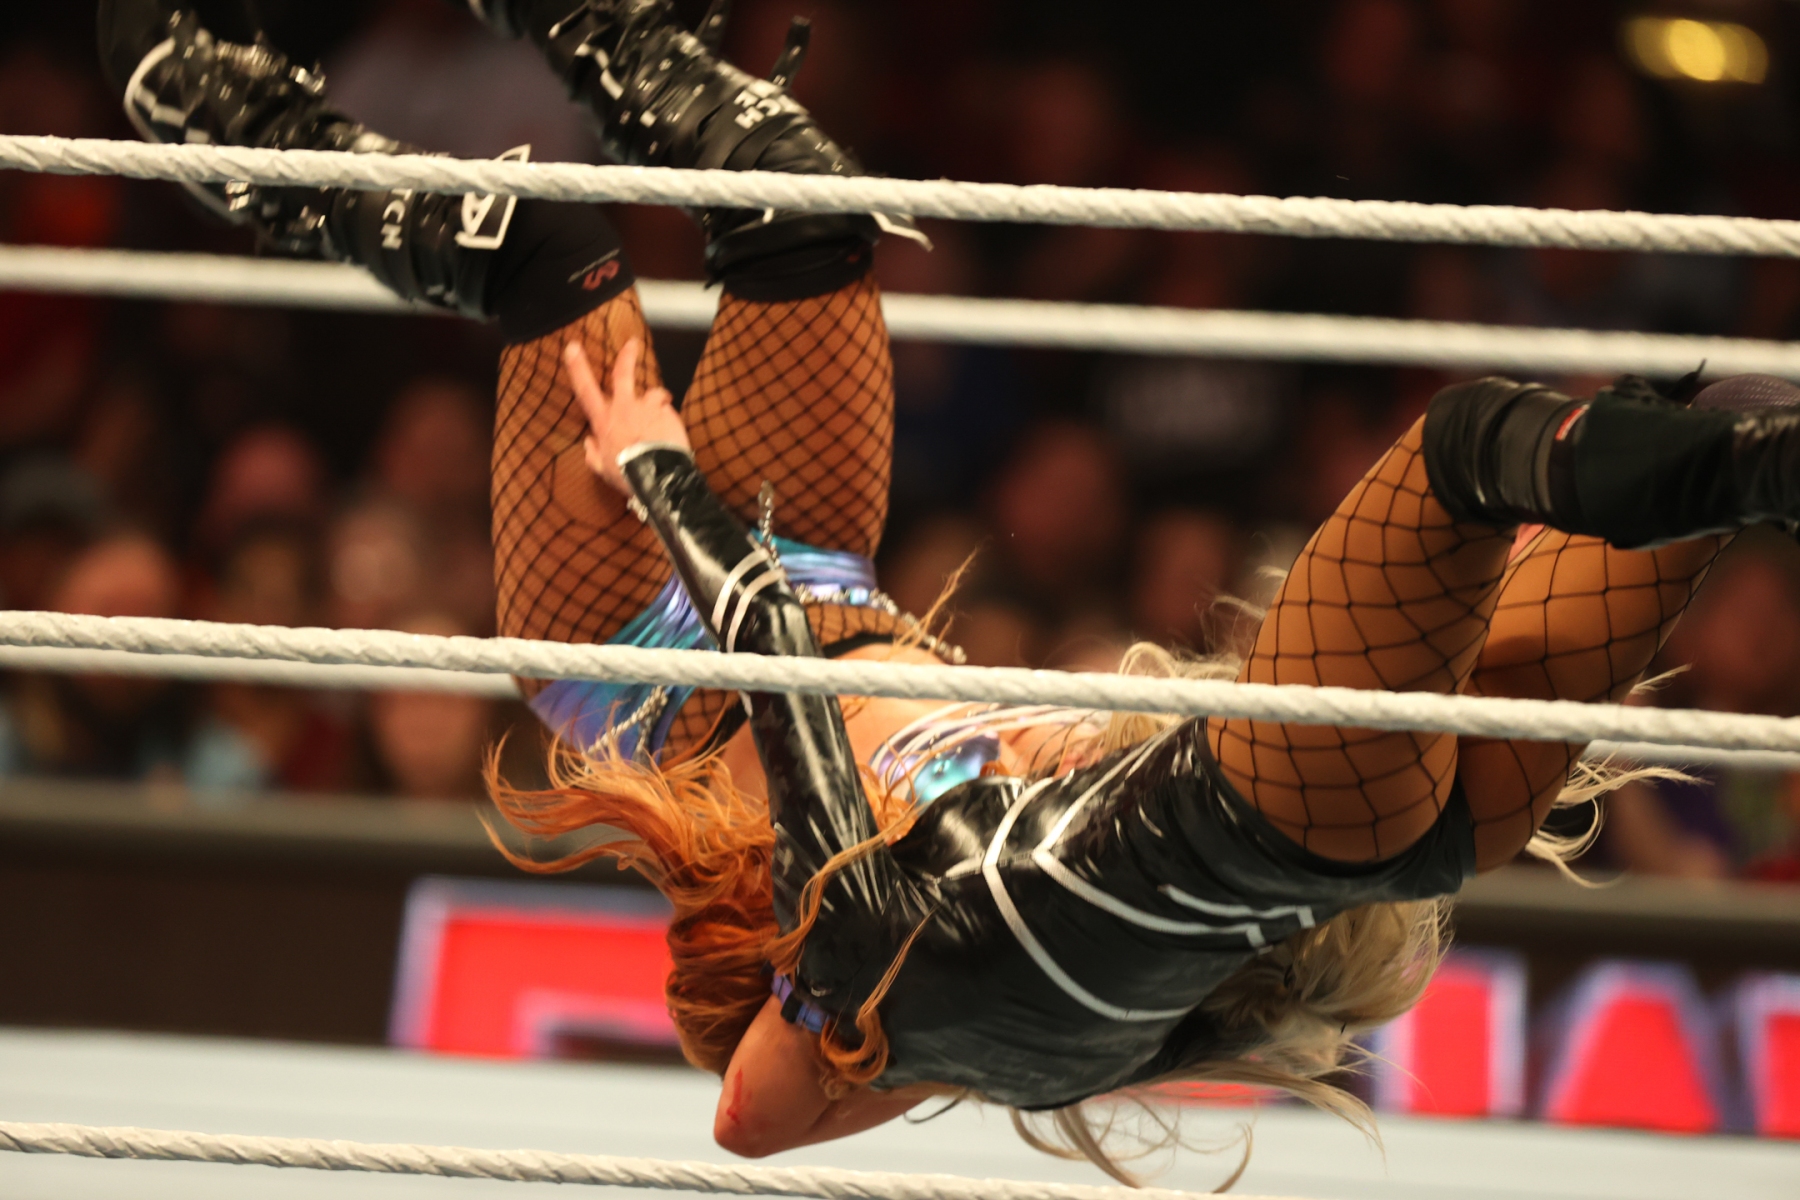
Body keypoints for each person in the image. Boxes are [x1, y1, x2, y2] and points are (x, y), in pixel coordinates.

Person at [98, 0, 1800, 1177]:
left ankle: (219, 118)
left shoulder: (871, 928)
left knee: (562, 256)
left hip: (650, 634)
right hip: (822, 581)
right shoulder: (1047, 925)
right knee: (801, 204)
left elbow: (754, 1097)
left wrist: (662, 473)